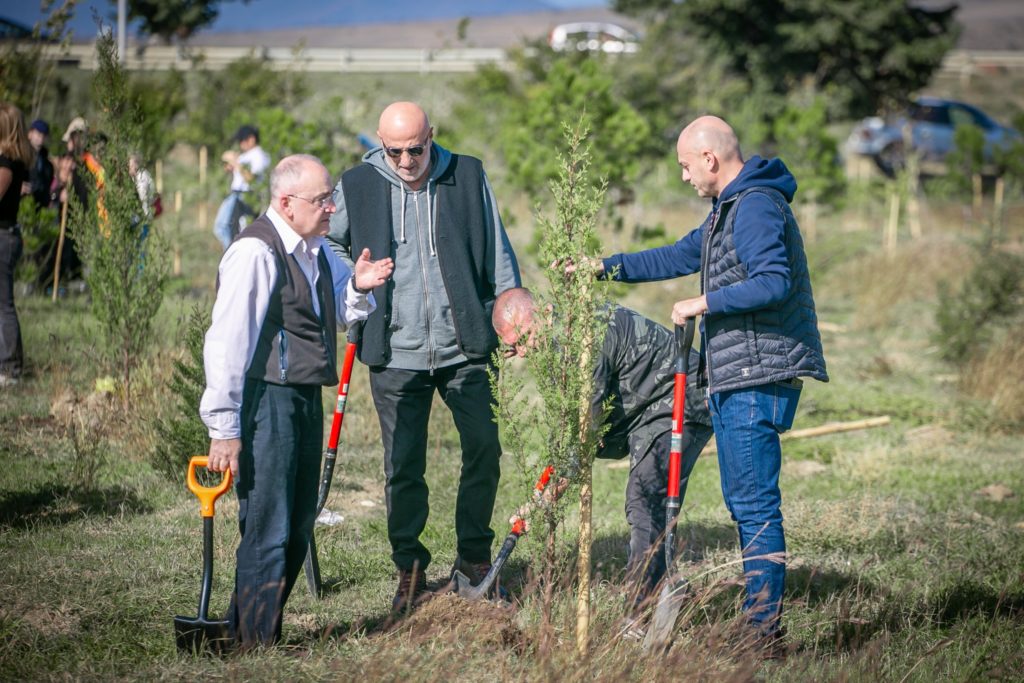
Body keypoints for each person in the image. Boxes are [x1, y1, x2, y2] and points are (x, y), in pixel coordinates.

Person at [591, 116, 828, 643]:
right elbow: (678, 255)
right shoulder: (728, 210)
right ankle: (759, 623)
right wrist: (604, 267)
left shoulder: (758, 206)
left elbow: (773, 280)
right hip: (734, 374)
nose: (683, 177)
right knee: (745, 502)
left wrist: (704, 301)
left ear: (710, 159)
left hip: (756, 376)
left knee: (754, 505)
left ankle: (762, 632)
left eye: (684, 166)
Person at [326, 101, 521, 612]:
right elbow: (328, 247)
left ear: (432, 136)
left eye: (417, 148)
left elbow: (500, 257)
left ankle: (474, 559)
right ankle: (409, 567)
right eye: (396, 151)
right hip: (395, 351)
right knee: (402, 465)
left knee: (484, 449)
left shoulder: (468, 175)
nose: (408, 160)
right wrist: (355, 278)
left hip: (467, 347)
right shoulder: (357, 184)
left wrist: (513, 313)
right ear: (380, 143)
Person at [200, 154, 394, 648]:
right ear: (286, 203)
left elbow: (339, 301)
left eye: (331, 197)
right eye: (321, 199)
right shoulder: (256, 253)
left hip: (304, 396)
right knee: (270, 525)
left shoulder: (315, 250)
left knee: (298, 523)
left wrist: (358, 283)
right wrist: (223, 427)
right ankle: (254, 646)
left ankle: (244, 630)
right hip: (266, 401)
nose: (331, 207)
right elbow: (227, 342)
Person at [492, 288, 714, 623]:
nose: (522, 352)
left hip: (678, 395)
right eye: (514, 346)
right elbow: (568, 425)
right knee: (645, 501)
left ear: (545, 312)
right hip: (642, 408)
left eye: (524, 337)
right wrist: (538, 496)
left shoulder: (585, 341)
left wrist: (547, 499)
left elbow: (584, 435)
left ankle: (639, 613)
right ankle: (662, 589)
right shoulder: (555, 340)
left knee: (644, 499)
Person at [0, 102, 32, 386]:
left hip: (3, 236)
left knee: (3, 304)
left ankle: (10, 367)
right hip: (7, 235)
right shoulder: (14, 160)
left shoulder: (7, 164)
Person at [213, 124, 271, 250]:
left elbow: (251, 179)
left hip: (246, 195)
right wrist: (232, 167)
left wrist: (235, 161)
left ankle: (230, 254)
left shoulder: (259, 156)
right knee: (232, 229)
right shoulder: (246, 155)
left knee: (223, 226)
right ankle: (232, 253)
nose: (240, 144)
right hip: (237, 194)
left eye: (242, 140)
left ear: (251, 139)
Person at [24, 119, 53, 209]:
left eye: (44, 135)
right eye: (38, 133)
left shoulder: (47, 164)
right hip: (22, 204)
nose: (41, 137)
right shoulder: (20, 155)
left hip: (39, 207)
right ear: (30, 134)